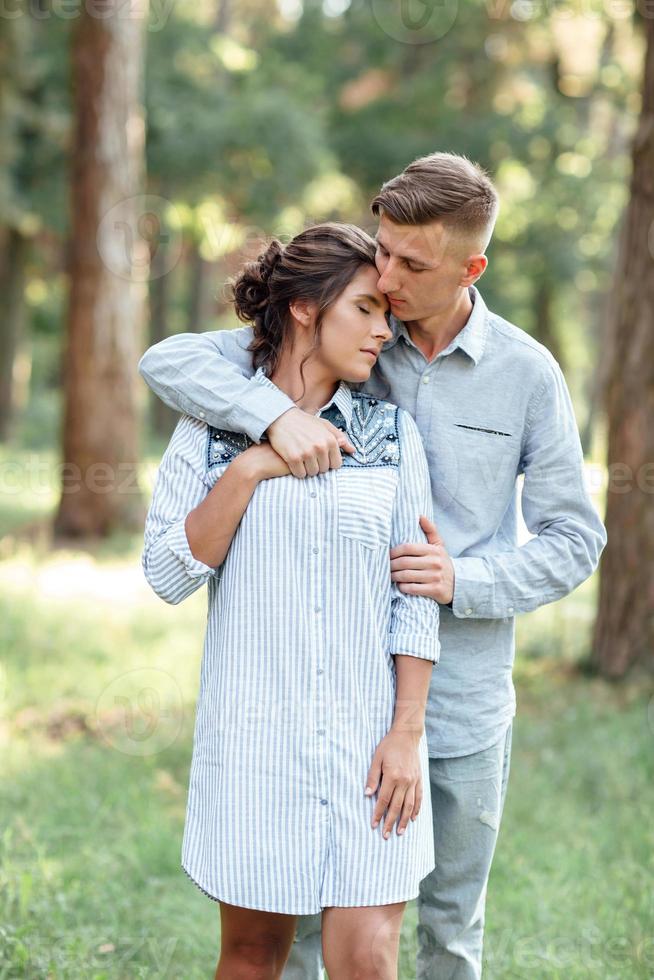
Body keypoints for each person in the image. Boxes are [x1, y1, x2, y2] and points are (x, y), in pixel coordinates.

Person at [139, 152, 608, 979]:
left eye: (409, 264)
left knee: (447, 935)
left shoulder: (526, 374)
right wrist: (272, 424)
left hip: (454, 701)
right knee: (304, 939)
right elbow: (171, 361)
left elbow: (576, 539)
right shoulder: (348, 329)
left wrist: (462, 580)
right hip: (324, 705)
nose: (386, 280)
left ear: (472, 268)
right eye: (381, 252)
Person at [140, 223, 440, 980]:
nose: (383, 331)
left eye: (388, 317)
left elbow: (413, 597)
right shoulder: (208, 432)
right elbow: (168, 575)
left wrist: (405, 733)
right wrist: (250, 471)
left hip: (371, 746)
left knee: (368, 960)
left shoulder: (392, 436)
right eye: (367, 309)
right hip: (253, 744)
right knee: (249, 957)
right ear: (306, 307)